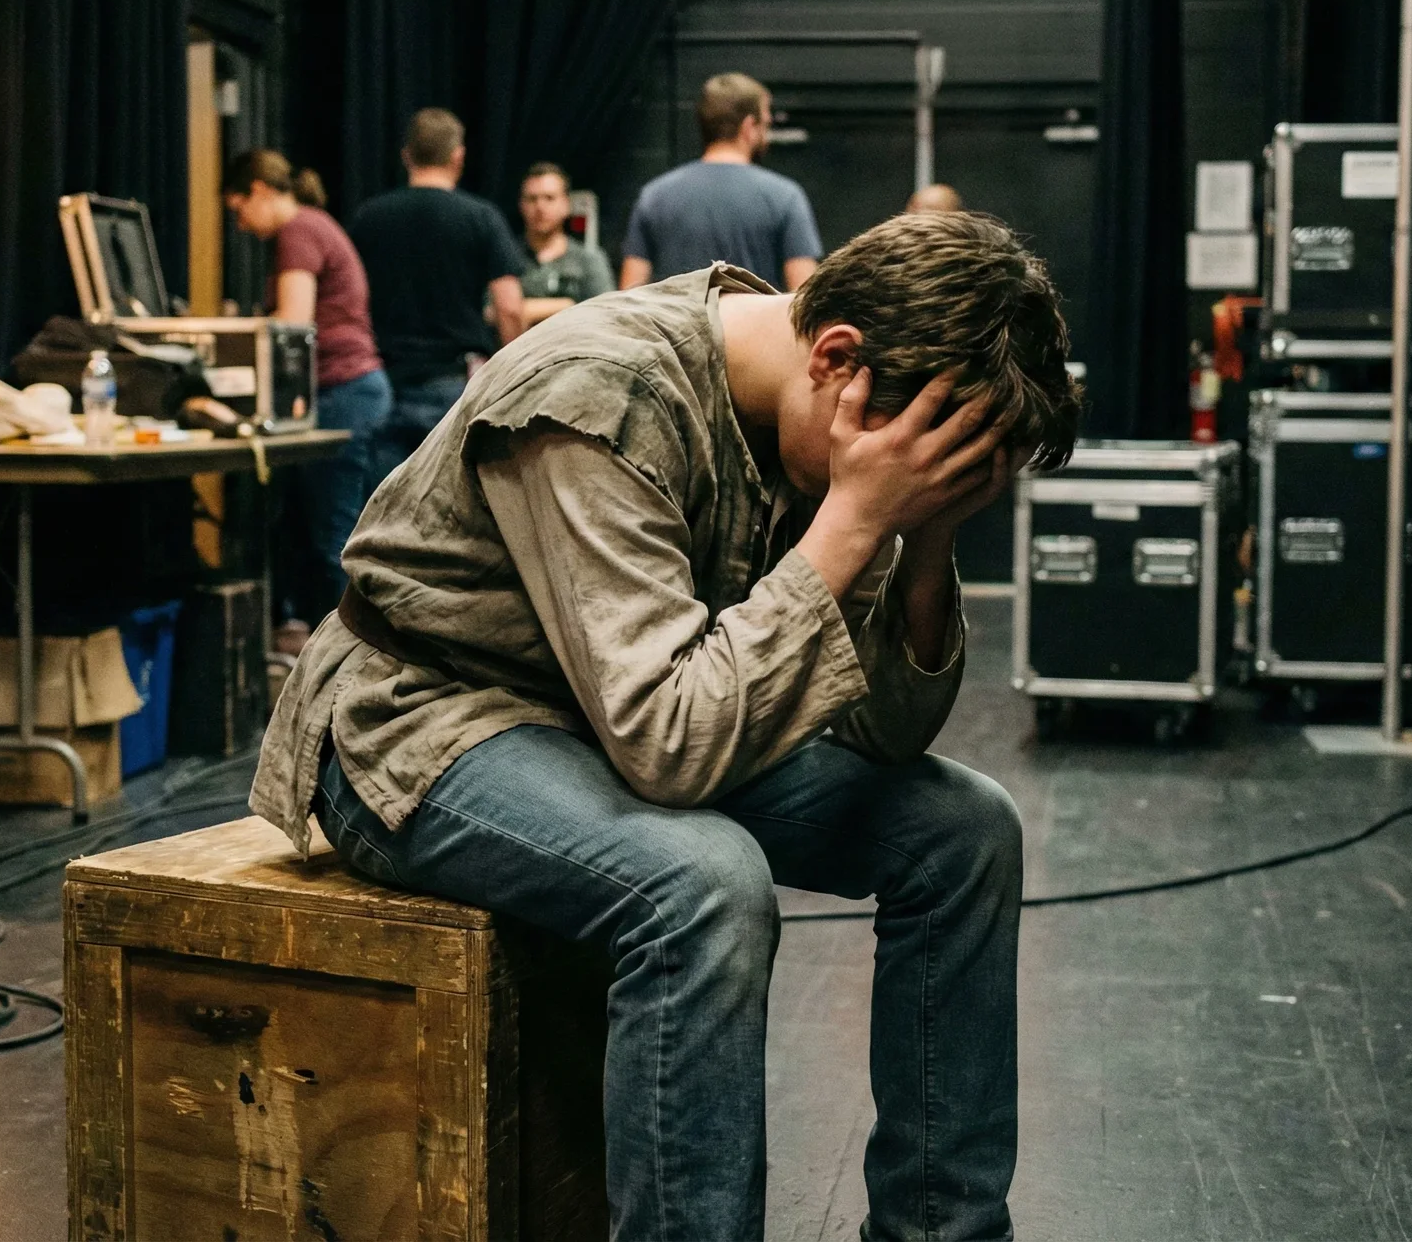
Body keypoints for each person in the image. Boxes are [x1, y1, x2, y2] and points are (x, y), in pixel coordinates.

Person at [252, 210, 1080, 1238]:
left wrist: (922, 538)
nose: (902, 498)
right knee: (702, 884)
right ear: (836, 358)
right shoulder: (602, 393)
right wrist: (859, 516)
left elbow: (889, 738)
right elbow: (669, 748)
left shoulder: (832, 426)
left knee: (964, 830)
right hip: (424, 722)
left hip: (621, 709)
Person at [222, 149, 383, 650]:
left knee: (332, 541)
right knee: (324, 534)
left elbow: (292, 325)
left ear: (261, 190)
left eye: (238, 209)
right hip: (351, 391)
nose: (242, 226)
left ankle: (347, 670)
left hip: (343, 392)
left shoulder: (298, 231)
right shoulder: (314, 225)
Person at [345, 109, 525, 468]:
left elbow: (350, 301)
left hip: (385, 381)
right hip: (453, 384)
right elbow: (509, 306)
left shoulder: (369, 217)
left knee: (387, 511)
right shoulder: (481, 217)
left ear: (406, 155)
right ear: (458, 156)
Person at [620, 72, 823, 292]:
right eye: (765, 123)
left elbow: (629, 294)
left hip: (676, 327)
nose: (766, 132)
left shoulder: (654, 196)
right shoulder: (786, 196)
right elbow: (805, 299)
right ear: (748, 127)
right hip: (752, 326)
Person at [514, 161, 614, 328]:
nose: (540, 206)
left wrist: (526, 309)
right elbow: (490, 311)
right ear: (521, 205)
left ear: (566, 204)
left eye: (549, 198)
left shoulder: (589, 260)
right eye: (532, 199)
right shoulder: (506, 256)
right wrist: (566, 305)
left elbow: (607, 314)